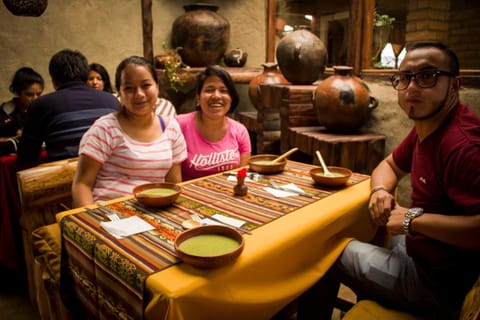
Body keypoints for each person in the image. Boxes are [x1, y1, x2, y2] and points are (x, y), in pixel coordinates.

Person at [297, 41, 480, 320]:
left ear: (455, 84)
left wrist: (411, 220)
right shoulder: (429, 127)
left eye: (427, 76)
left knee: (321, 251)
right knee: (363, 229)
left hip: (438, 286)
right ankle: (374, 295)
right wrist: (381, 190)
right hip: (419, 250)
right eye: (404, 78)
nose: (412, 88)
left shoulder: (464, 146)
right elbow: (390, 164)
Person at [72, 55, 187, 207]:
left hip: (155, 212)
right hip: (111, 215)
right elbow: (82, 185)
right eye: (129, 88)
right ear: (119, 92)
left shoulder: (171, 128)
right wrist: (90, 221)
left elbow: (174, 184)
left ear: (157, 86)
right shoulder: (105, 128)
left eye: (146, 85)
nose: (139, 94)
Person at [16, 49, 120, 163]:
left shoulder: (40, 105)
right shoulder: (112, 101)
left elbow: (26, 156)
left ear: (54, 80)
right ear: (86, 76)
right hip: (109, 174)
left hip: (63, 178)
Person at [176, 65, 251, 181]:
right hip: (189, 195)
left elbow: (241, 177)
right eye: (209, 90)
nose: (216, 96)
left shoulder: (240, 131)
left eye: (223, 91)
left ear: (231, 98)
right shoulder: (178, 126)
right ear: (198, 97)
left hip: (228, 195)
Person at [0, 67, 44, 155]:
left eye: (39, 94)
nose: (35, 99)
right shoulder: (5, 112)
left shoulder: (43, 109)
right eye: (29, 94)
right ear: (17, 92)